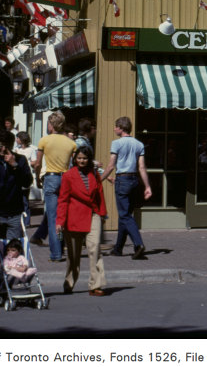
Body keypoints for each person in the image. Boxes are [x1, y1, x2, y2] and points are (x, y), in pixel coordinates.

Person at [0, 130, 33, 305]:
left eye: (6, 146)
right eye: (0, 146)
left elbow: (27, 182)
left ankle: (8, 290)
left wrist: (14, 165)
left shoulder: (20, 160)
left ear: (12, 146)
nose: (3, 150)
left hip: (14, 213)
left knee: (13, 254)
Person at [57, 145, 108, 296]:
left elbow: (99, 194)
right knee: (73, 254)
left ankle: (95, 285)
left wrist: (102, 213)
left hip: (93, 215)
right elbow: (63, 200)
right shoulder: (68, 176)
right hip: (73, 217)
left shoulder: (94, 173)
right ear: (74, 159)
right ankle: (69, 282)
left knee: (95, 248)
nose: (82, 161)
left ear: (89, 159)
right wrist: (60, 221)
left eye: (85, 158)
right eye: (79, 158)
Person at [99, 116, 153, 258]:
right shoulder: (139, 144)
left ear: (121, 128)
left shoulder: (116, 143)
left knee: (125, 215)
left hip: (122, 180)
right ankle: (118, 249)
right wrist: (147, 186)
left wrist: (99, 180)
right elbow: (141, 167)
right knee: (125, 215)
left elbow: (111, 165)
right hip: (134, 180)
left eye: (116, 126)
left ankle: (138, 244)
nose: (114, 129)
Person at [34, 111, 77, 262]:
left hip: (51, 178)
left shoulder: (44, 141)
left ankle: (56, 253)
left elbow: (38, 163)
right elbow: (76, 164)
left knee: (52, 218)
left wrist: (37, 177)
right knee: (62, 217)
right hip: (66, 179)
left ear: (51, 125)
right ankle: (61, 247)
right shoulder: (71, 143)